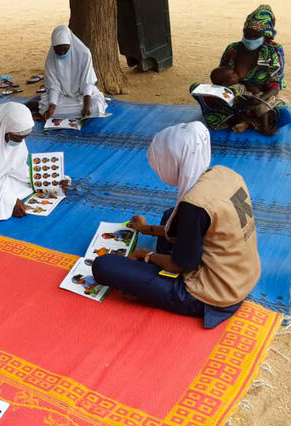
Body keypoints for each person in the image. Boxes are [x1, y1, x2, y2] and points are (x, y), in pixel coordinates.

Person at [92, 122, 261, 329]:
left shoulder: (194, 204)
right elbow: (200, 227)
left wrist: (146, 255)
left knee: (104, 266)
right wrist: (147, 230)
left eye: (162, 161)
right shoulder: (224, 173)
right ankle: (146, 277)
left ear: (176, 159)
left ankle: (148, 287)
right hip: (242, 275)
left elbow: (180, 265)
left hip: (213, 294)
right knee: (170, 216)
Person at [191, 5, 286, 134]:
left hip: (260, 98)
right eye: (247, 34)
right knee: (197, 89)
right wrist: (230, 92)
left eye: (255, 35)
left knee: (283, 114)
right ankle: (246, 120)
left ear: (266, 35)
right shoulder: (232, 49)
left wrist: (261, 97)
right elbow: (221, 75)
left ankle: (242, 120)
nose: (250, 39)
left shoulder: (273, 52)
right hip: (233, 99)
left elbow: (276, 84)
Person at [34, 25, 108, 120]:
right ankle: (52, 109)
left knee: (96, 106)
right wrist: (52, 107)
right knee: (46, 106)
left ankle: (82, 110)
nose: (62, 53)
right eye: (58, 50)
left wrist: (86, 106)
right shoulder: (51, 58)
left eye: (65, 49)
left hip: (83, 96)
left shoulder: (84, 53)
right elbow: (53, 86)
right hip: (62, 97)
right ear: (53, 47)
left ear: (70, 43)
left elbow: (88, 83)